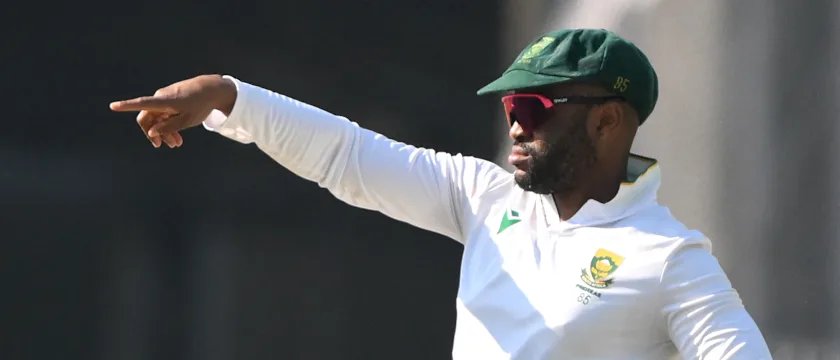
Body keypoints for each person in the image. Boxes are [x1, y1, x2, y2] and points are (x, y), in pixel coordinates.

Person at [110, 28, 772, 359]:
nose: (515, 121)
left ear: (607, 121)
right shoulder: (487, 198)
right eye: (512, 103)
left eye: (536, 105)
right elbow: (348, 155)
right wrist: (231, 98)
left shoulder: (670, 258)